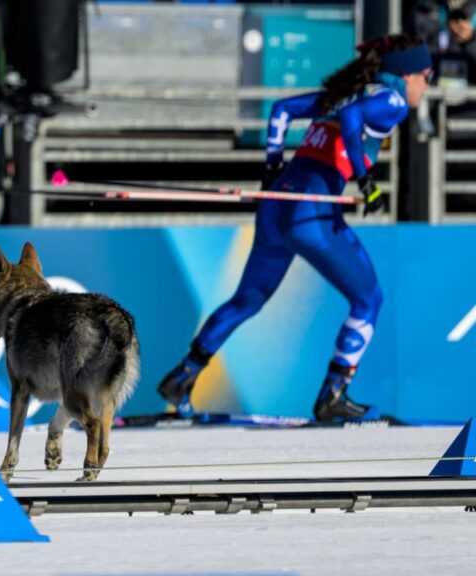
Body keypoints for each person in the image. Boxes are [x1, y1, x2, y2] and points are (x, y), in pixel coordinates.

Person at [157, 35, 432, 422]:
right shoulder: (394, 100)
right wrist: (366, 181)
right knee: (369, 299)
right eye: (427, 76)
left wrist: (271, 170)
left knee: (246, 301)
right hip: (311, 216)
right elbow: (354, 120)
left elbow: (282, 111)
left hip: (276, 210)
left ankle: (183, 376)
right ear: (407, 74)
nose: (428, 85)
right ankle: (332, 395)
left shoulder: (342, 94)